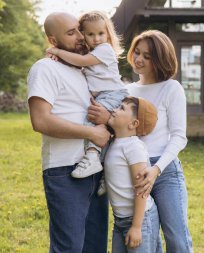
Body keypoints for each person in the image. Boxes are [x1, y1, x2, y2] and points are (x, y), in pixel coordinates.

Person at [88, 30, 193, 253]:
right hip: (132, 169)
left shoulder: (171, 88)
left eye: (147, 56)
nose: (139, 59)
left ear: (160, 59)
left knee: (177, 239)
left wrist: (156, 169)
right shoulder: (126, 90)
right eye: (137, 52)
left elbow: (178, 137)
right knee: (145, 232)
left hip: (163, 171)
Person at [27, 12, 110, 253]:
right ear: (54, 41)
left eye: (79, 30)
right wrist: (92, 134)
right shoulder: (44, 69)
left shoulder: (83, 71)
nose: (81, 37)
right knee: (70, 248)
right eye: (71, 33)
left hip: (95, 170)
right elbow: (40, 120)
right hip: (65, 170)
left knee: (94, 247)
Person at [46, 11, 129, 195]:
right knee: (109, 136)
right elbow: (76, 64)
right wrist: (57, 58)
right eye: (90, 34)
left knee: (92, 119)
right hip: (105, 95)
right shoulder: (92, 52)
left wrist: (57, 51)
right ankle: (110, 175)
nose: (97, 38)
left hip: (112, 94)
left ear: (108, 34)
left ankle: (91, 156)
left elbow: (82, 61)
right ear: (83, 35)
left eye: (101, 33)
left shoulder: (105, 50)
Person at [105, 96, 162, 253]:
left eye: (122, 108)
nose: (114, 110)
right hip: (120, 221)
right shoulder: (113, 143)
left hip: (140, 220)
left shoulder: (133, 147)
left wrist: (136, 227)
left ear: (133, 124)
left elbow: (141, 189)